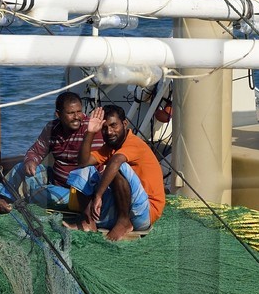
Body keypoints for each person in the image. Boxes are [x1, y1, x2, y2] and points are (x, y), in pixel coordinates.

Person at [77, 104, 166, 241]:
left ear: (124, 124)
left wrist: (98, 195)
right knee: (83, 172)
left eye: (114, 126)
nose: (109, 132)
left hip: (145, 212)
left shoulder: (134, 143)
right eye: (105, 128)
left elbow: (116, 161)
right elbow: (83, 161)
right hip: (123, 208)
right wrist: (90, 132)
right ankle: (89, 222)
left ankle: (123, 222)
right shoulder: (109, 147)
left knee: (118, 166)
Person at [16, 92, 103, 212]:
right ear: (58, 114)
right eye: (71, 113)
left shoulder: (91, 128)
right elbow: (36, 151)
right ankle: (4, 204)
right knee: (20, 168)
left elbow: (96, 166)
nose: (77, 117)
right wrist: (31, 161)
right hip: (56, 181)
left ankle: (31, 198)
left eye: (79, 111)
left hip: (79, 193)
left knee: (47, 194)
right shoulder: (52, 128)